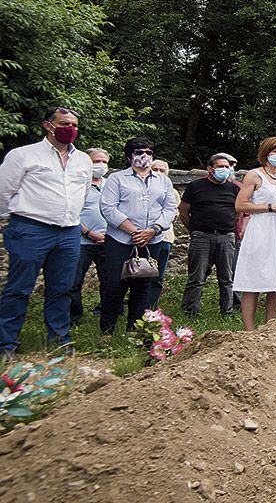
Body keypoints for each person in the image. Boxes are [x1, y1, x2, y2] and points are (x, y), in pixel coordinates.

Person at [0, 108, 92, 354]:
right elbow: (4, 191)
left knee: (62, 288)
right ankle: (6, 343)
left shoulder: (83, 159)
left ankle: (59, 340)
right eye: (64, 123)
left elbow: (82, 192)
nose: (69, 128)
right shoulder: (24, 155)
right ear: (48, 126)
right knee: (19, 287)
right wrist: (17, 221)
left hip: (68, 232)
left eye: (74, 124)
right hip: (31, 229)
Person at [98, 137, 178, 333]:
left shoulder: (163, 181)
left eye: (149, 153)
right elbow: (108, 208)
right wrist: (134, 231)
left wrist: (154, 230)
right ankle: (107, 330)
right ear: (129, 156)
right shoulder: (117, 179)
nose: (144, 157)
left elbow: (169, 208)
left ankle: (135, 330)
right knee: (116, 285)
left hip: (152, 239)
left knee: (143, 284)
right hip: (121, 239)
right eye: (139, 152)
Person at [231, 137, 276, 330]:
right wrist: (270, 207)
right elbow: (240, 204)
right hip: (262, 228)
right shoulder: (254, 175)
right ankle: (249, 329)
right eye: (275, 151)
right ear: (266, 153)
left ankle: (270, 325)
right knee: (254, 278)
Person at [179, 153, 240, 317]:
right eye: (221, 166)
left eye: (227, 167)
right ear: (210, 169)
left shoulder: (234, 188)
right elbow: (183, 211)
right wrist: (194, 230)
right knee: (197, 277)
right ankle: (190, 311)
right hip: (202, 236)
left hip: (226, 236)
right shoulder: (195, 186)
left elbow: (238, 213)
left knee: (227, 278)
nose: (225, 170)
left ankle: (227, 312)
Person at [70, 147, 110, 325]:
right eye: (96, 161)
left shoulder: (111, 184)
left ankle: (105, 312)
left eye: (104, 161)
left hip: (108, 241)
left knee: (110, 282)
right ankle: (73, 316)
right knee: (74, 282)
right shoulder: (77, 185)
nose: (100, 165)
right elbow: (71, 213)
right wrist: (88, 233)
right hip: (82, 241)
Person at [146, 159, 180, 309]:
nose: (159, 173)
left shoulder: (173, 192)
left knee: (157, 275)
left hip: (164, 238)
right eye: (155, 169)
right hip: (140, 237)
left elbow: (174, 213)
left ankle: (151, 309)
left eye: (162, 170)